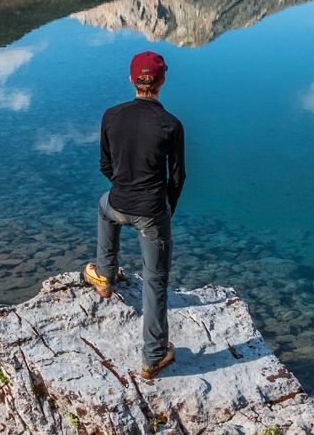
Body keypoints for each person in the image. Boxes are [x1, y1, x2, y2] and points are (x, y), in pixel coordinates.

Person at [83, 51, 185, 380]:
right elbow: (177, 178)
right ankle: (153, 355)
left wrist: (123, 187)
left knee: (103, 208)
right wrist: (165, 208)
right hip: (152, 213)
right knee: (155, 281)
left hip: (118, 202)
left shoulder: (111, 115)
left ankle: (104, 276)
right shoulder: (171, 124)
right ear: (162, 81)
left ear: (131, 79)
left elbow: (104, 164)